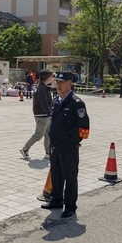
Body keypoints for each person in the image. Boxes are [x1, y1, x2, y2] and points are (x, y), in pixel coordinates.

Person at [41, 71, 90, 219]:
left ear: (70, 84)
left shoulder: (76, 103)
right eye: (57, 82)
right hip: (55, 145)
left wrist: (75, 141)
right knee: (56, 175)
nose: (58, 85)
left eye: (62, 82)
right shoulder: (56, 100)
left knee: (70, 177)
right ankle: (56, 200)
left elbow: (84, 127)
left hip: (69, 147)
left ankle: (70, 206)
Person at [20, 69, 53, 160]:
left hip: (45, 115)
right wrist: (50, 112)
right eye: (51, 76)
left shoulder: (43, 87)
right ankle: (25, 149)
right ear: (48, 77)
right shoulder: (41, 89)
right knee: (38, 135)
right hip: (42, 115)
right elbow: (44, 104)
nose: (52, 78)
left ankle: (48, 152)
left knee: (48, 134)